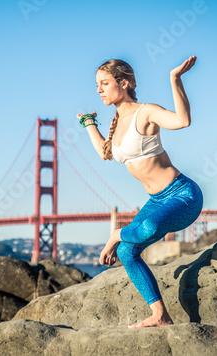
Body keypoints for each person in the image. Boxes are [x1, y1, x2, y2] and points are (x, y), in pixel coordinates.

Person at [77, 56, 203, 328]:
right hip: (157, 200)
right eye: (96, 85)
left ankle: (115, 235)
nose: (99, 90)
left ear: (123, 84)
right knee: (126, 253)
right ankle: (160, 314)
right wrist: (89, 122)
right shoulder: (117, 122)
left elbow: (182, 121)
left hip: (183, 196)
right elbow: (104, 152)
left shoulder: (145, 112)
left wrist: (175, 79)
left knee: (144, 228)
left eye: (105, 83)